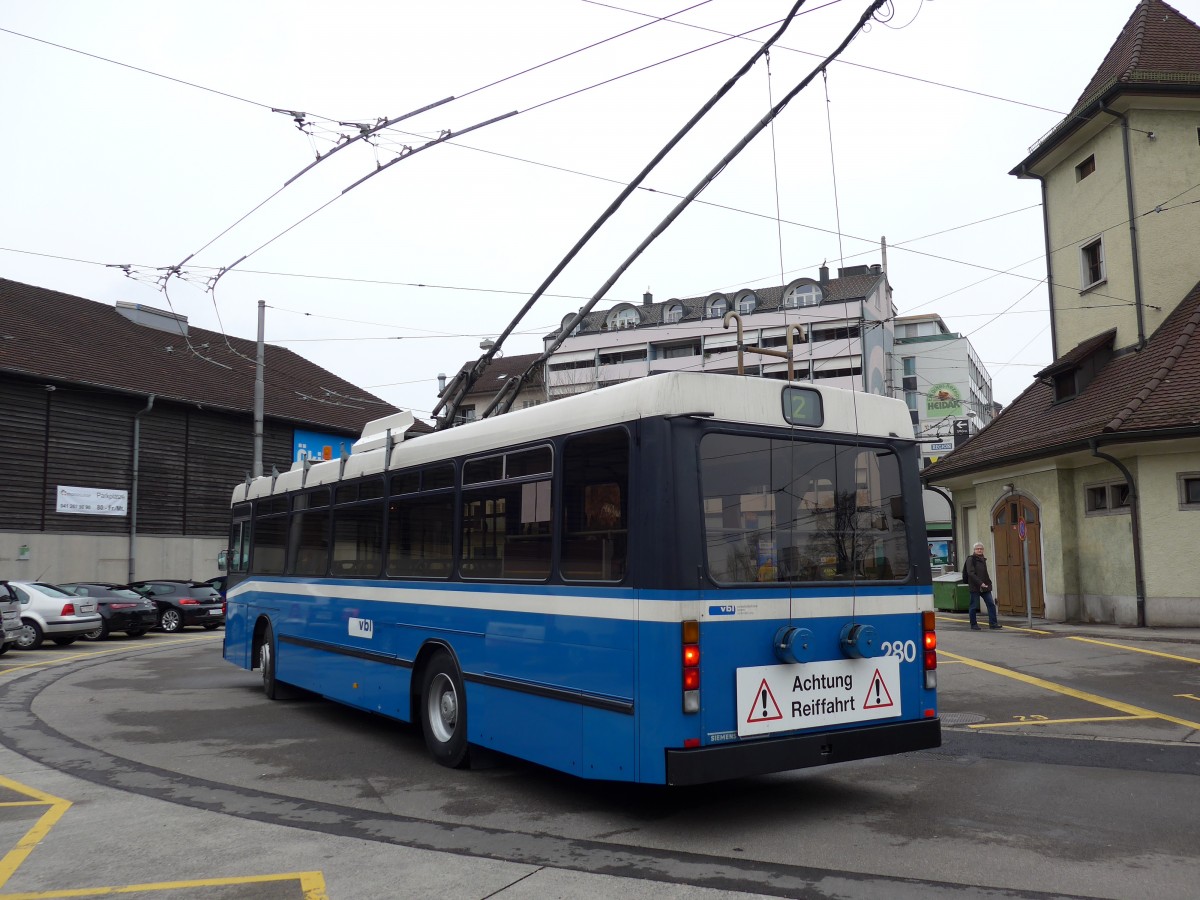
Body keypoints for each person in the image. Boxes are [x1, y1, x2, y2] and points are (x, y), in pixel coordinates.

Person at [962, 542, 1000, 630]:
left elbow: (984, 574)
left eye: (981, 548)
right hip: (975, 586)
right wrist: (980, 583)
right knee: (973, 606)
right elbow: (971, 573)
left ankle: (993, 624)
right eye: (977, 549)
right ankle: (973, 624)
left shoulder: (983, 559)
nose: (979, 550)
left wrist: (988, 583)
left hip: (985, 587)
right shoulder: (971, 559)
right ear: (974, 550)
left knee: (991, 604)